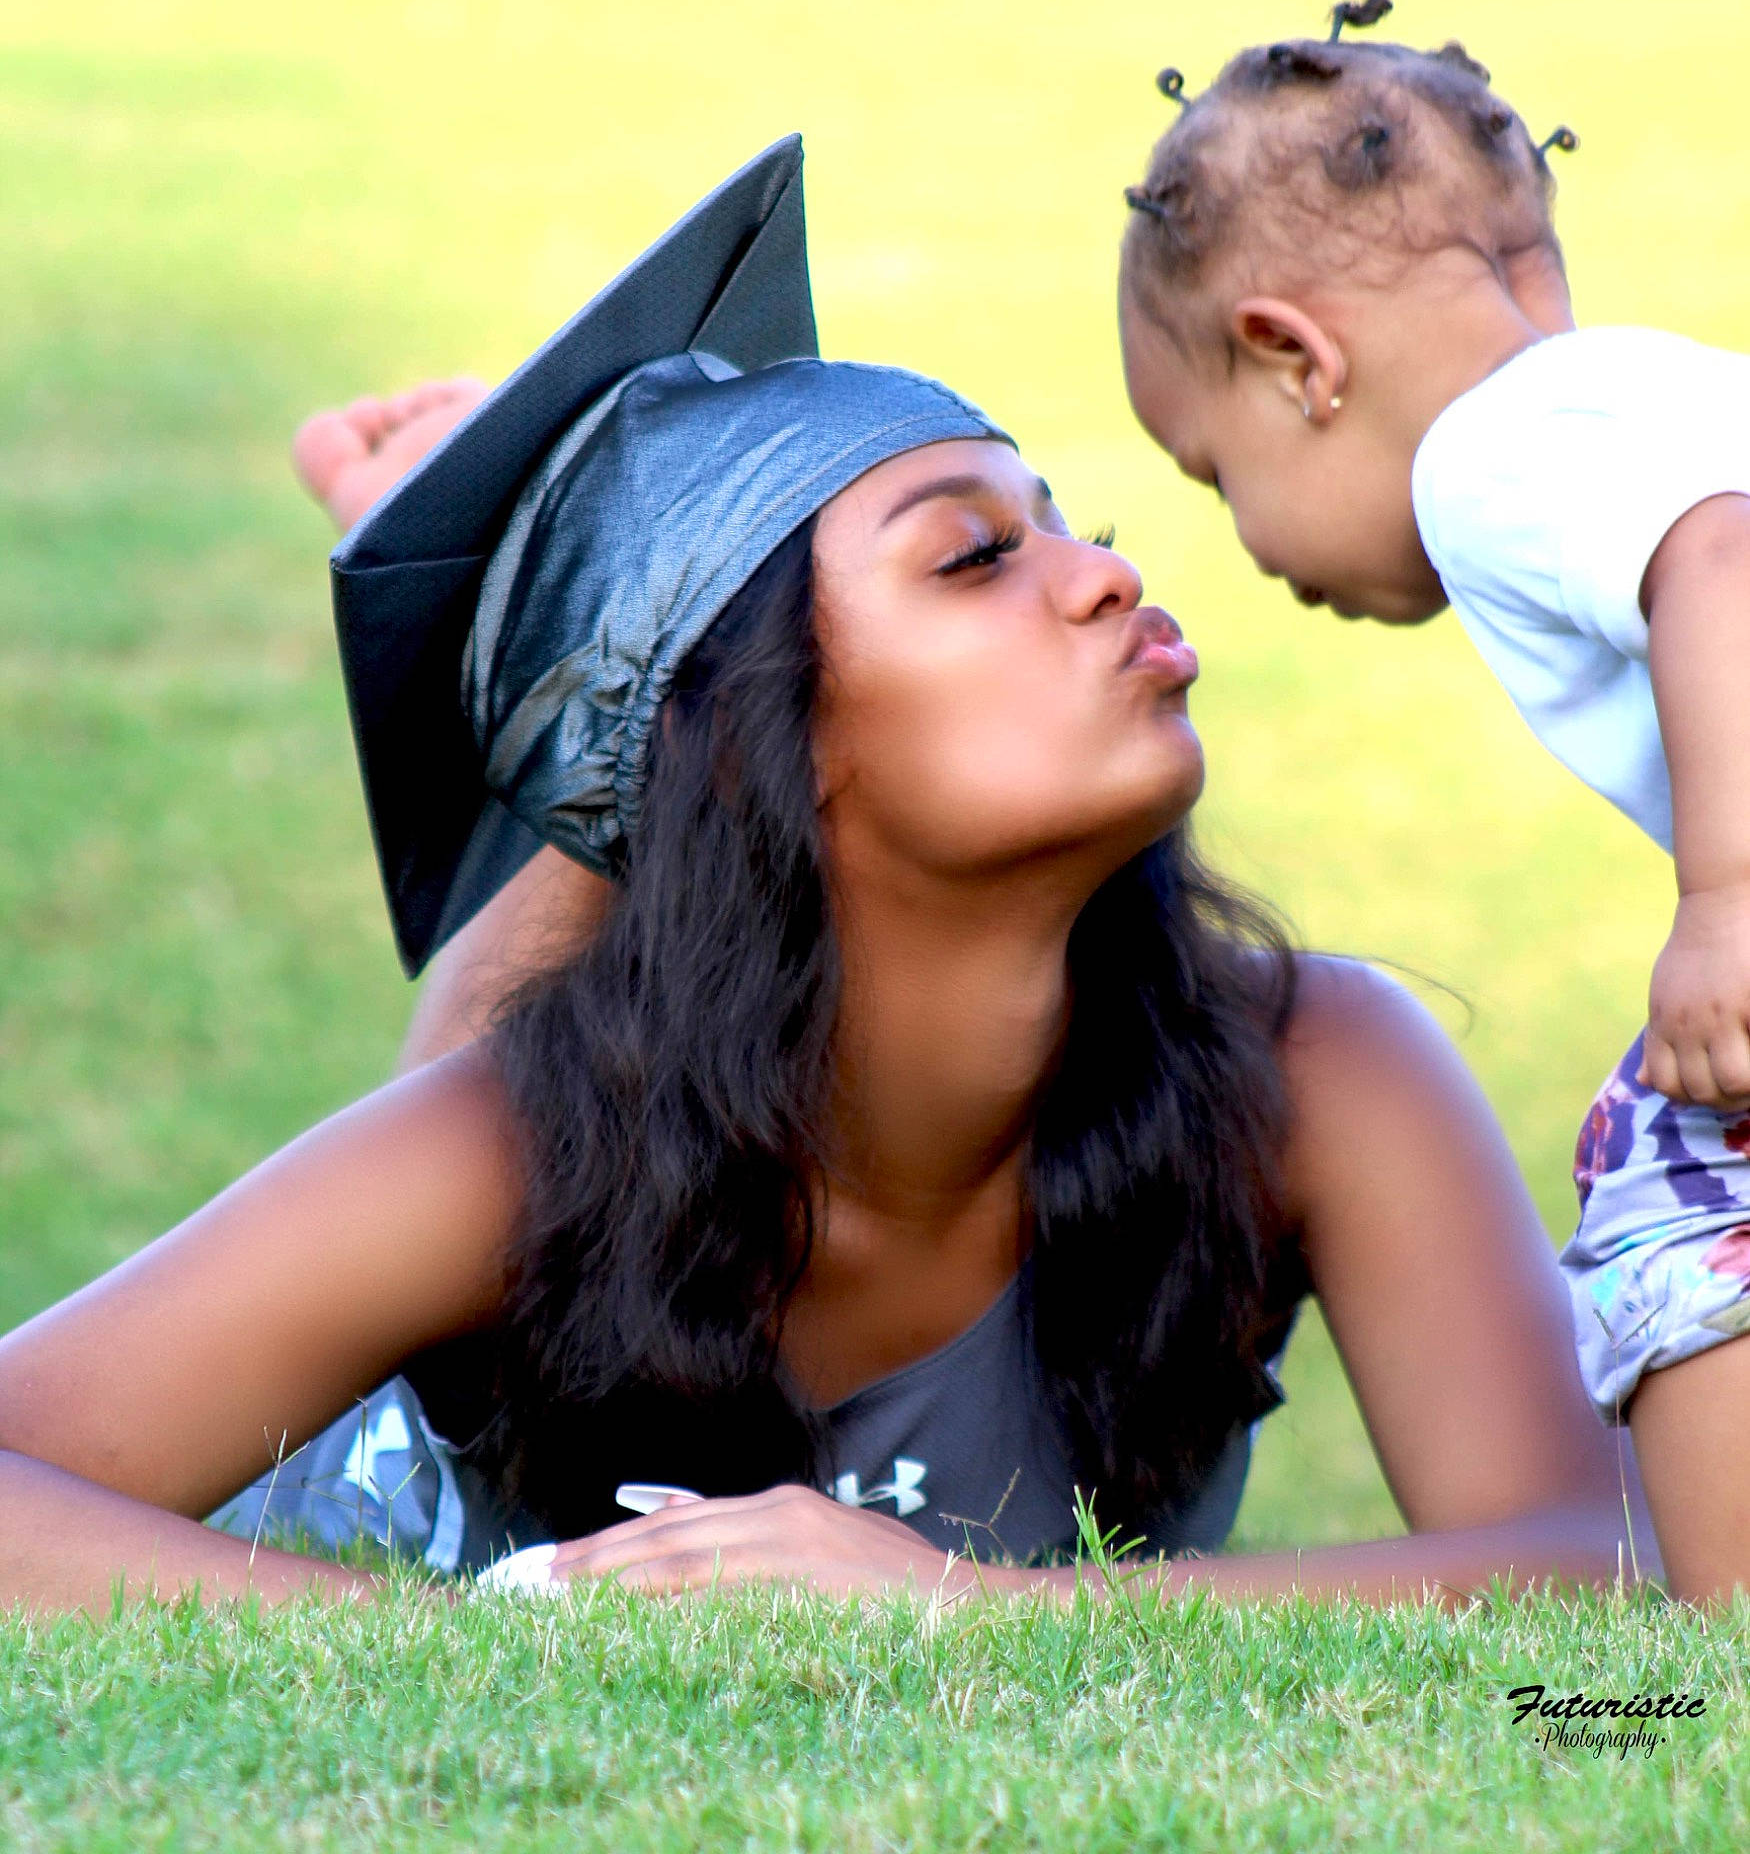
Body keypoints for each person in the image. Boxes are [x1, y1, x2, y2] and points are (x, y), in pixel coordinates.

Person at [0, 141, 1637, 1615]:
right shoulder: (513, 1141)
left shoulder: (1305, 1067)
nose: (1106, 575)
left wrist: (961, 1612)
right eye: (977, 557)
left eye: (1066, 527)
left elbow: (1601, 1580)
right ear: (768, 746)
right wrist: (489, 1651)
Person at [1116, 0, 1750, 1600]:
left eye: (1214, 475)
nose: (1248, 546)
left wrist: (1725, 895)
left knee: (1670, 1168)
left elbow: (1726, 560)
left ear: (1290, 362)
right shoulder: (1629, 396)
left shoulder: (1495, 456)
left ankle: (1716, 1654)